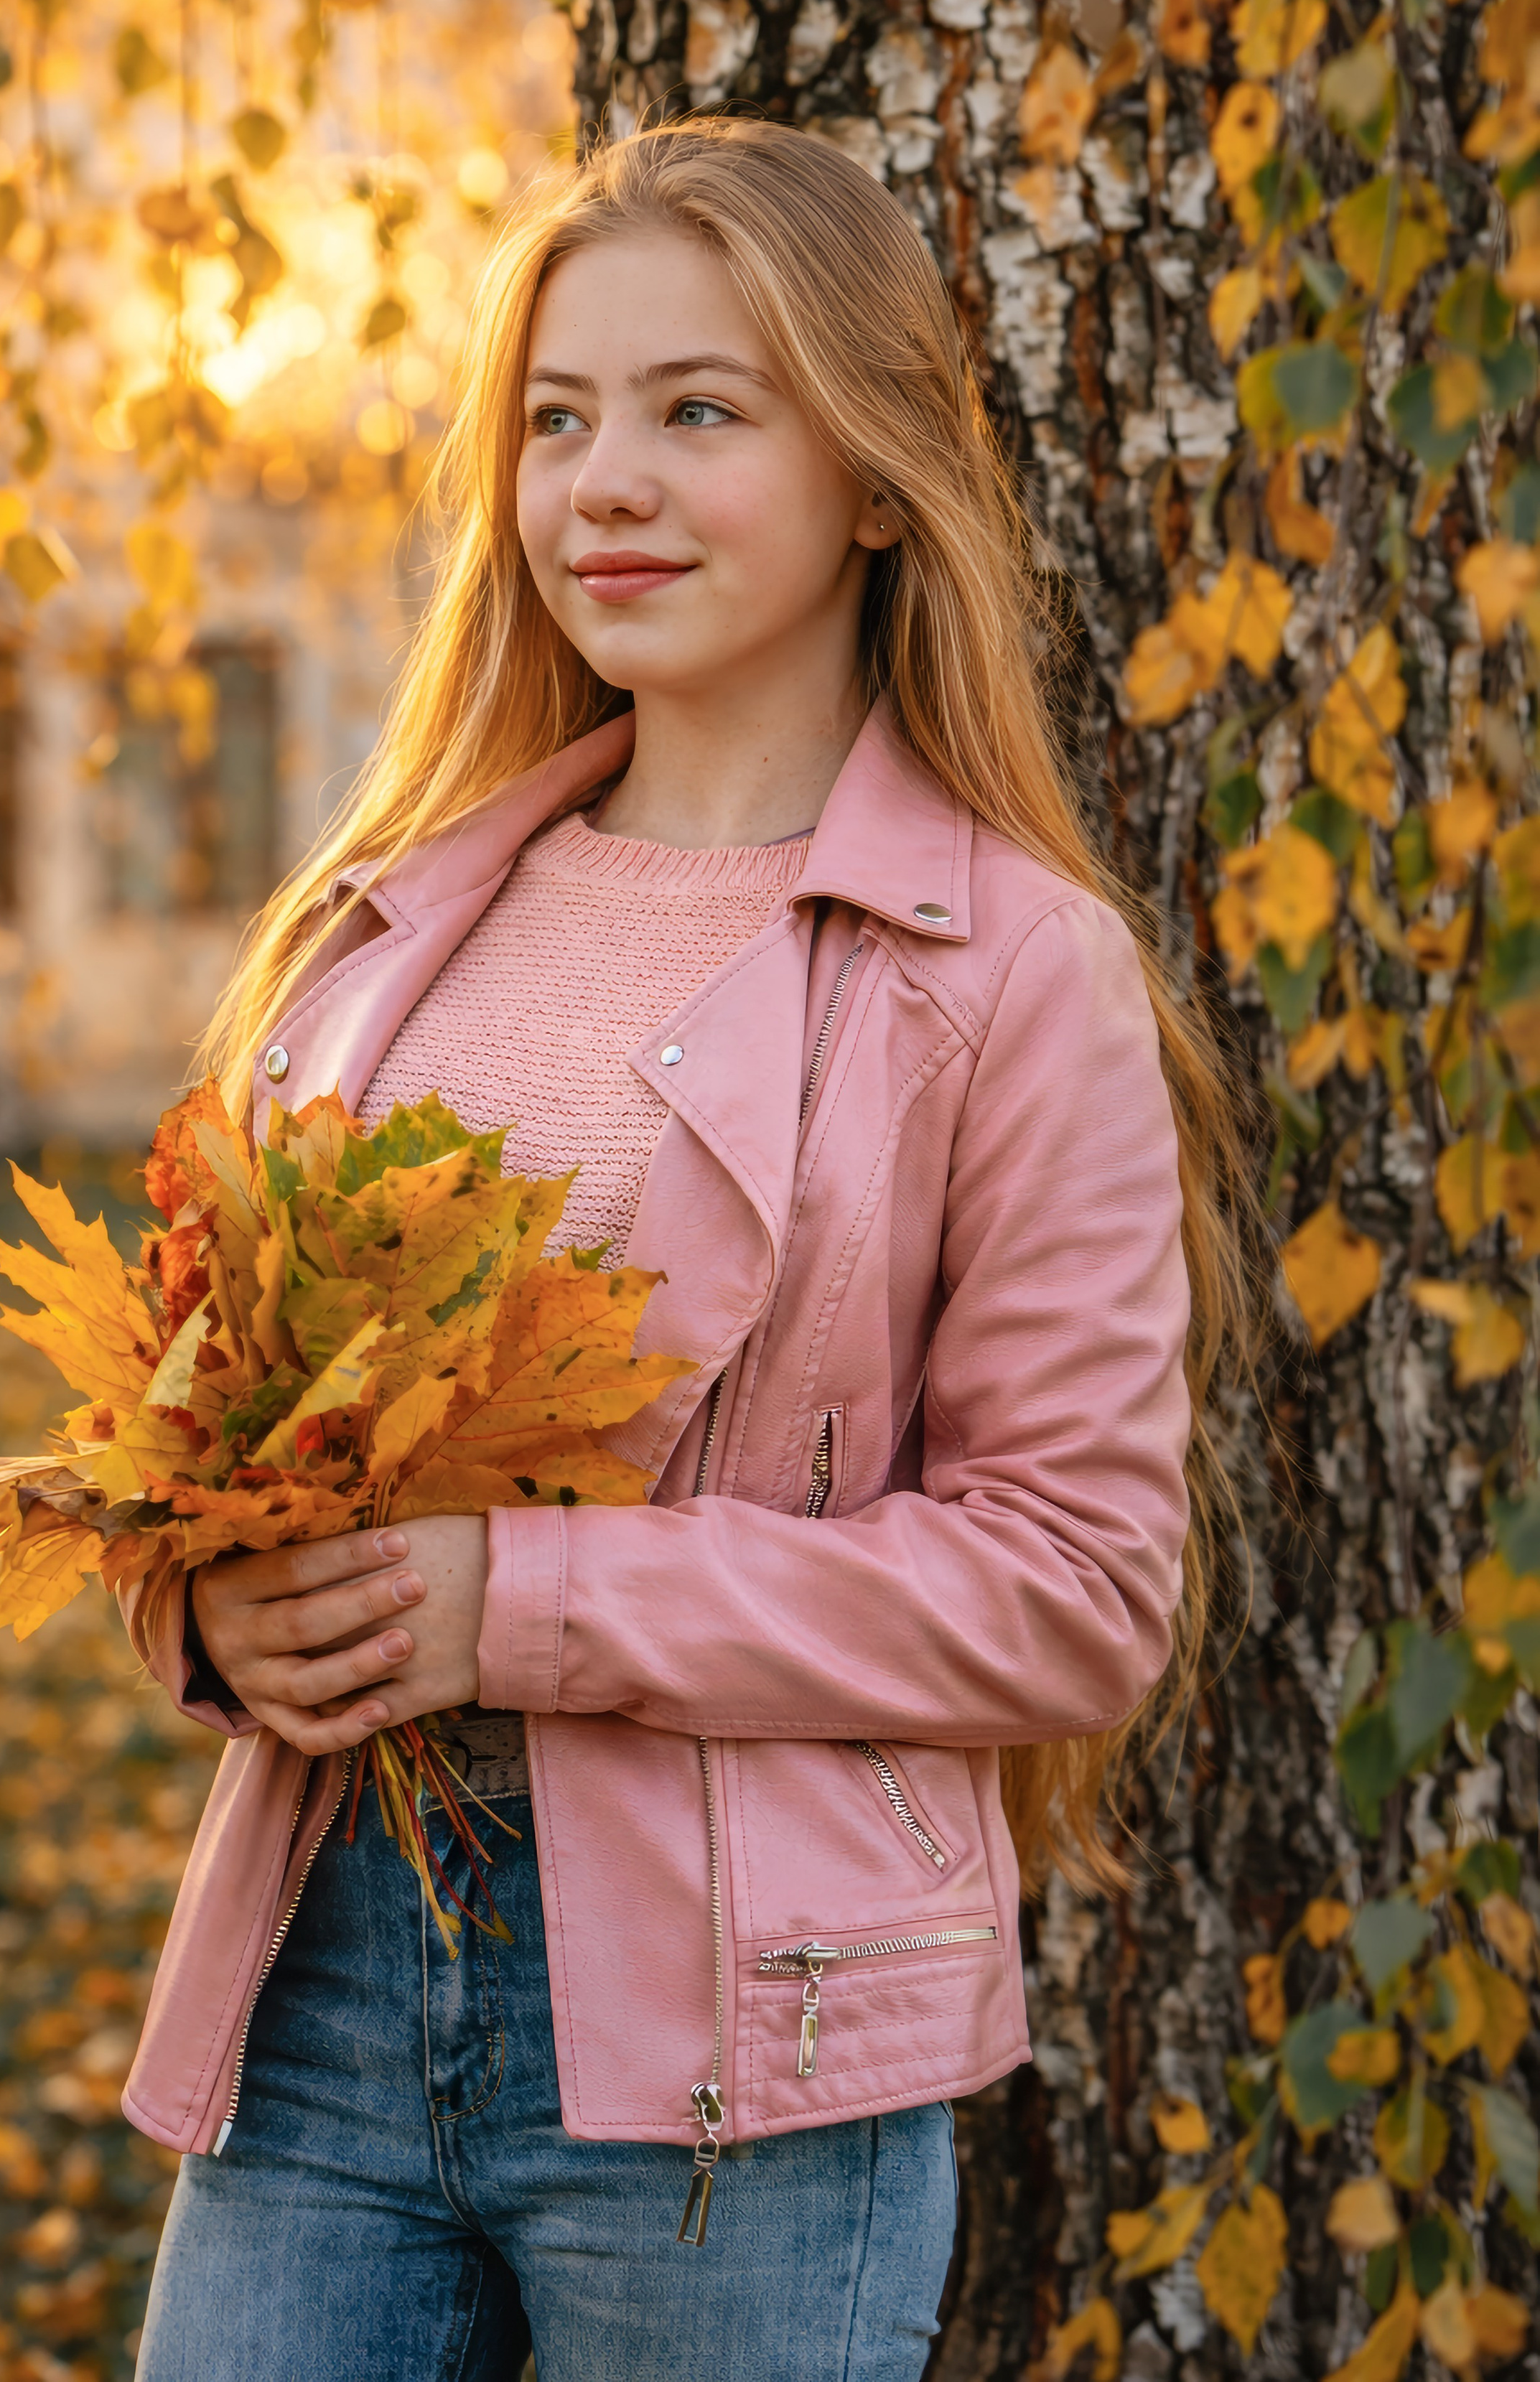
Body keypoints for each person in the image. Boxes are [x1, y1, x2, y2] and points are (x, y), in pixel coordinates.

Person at [124, 119, 1251, 2382]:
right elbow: (230, 1429)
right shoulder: (388, 926)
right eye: (558, 418)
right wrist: (220, 1600)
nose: (602, 483)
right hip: (326, 1971)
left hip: (754, 2049)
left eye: (696, 408)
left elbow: (1079, 1577)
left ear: (872, 475)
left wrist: (514, 1602)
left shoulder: (1011, 970)